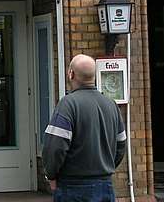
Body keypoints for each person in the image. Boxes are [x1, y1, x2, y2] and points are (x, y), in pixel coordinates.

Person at [42, 54, 127, 202]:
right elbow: (121, 145)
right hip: (105, 185)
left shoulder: (68, 105)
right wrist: (105, 166)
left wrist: (51, 175)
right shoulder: (111, 104)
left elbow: (55, 147)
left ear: (71, 74)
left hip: (73, 187)